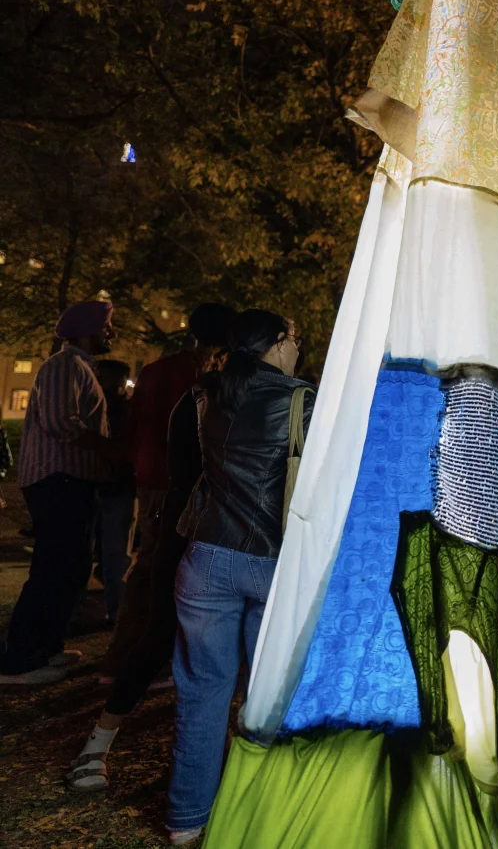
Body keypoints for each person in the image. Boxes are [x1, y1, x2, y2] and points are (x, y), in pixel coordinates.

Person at [67, 308, 233, 794]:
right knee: (191, 627)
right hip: (205, 515)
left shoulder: (168, 378)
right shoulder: (220, 392)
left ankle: (104, 721)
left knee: (152, 597)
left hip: (166, 496)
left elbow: (139, 431)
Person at [165, 309, 312, 845]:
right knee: (269, 694)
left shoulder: (207, 397)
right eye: (295, 338)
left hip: (205, 555)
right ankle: (261, 812)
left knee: (201, 692)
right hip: (273, 561)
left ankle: (187, 822)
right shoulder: (300, 400)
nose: (298, 348)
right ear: (276, 343)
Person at [102, 304, 236, 677]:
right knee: (170, 568)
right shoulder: (208, 376)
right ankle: (148, 657)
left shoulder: (158, 369)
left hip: (150, 478)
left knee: (151, 565)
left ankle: (126, 652)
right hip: (182, 482)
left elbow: (135, 424)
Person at [1, 301, 118, 685]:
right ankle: (19, 658)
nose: (111, 333)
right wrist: (105, 448)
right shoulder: (63, 367)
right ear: (86, 331)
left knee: (70, 569)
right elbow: (59, 422)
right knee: (53, 569)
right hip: (57, 479)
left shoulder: (79, 368)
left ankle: (44, 648)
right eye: (106, 327)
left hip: (72, 480)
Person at [93, 359, 136, 622]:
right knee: (116, 552)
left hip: (106, 484)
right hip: (118, 486)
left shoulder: (99, 406)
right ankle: (116, 611)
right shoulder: (128, 409)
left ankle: (116, 609)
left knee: (112, 552)